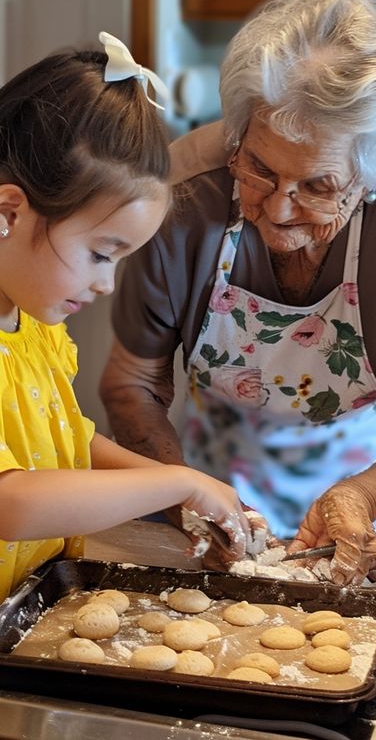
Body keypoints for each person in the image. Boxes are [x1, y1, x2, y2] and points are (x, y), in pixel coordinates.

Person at [100, 0, 376, 586]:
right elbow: (132, 385)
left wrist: (364, 497)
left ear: (369, 174)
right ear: (237, 135)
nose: (278, 209)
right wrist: (185, 498)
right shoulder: (182, 193)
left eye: (319, 187)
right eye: (259, 170)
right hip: (220, 465)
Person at [0, 32, 253, 603]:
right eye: (99, 253)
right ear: (9, 211)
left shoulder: (32, 326)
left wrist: (180, 491)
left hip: (27, 603)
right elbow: (10, 503)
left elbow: (64, 438)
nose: (106, 283)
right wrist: (177, 480)